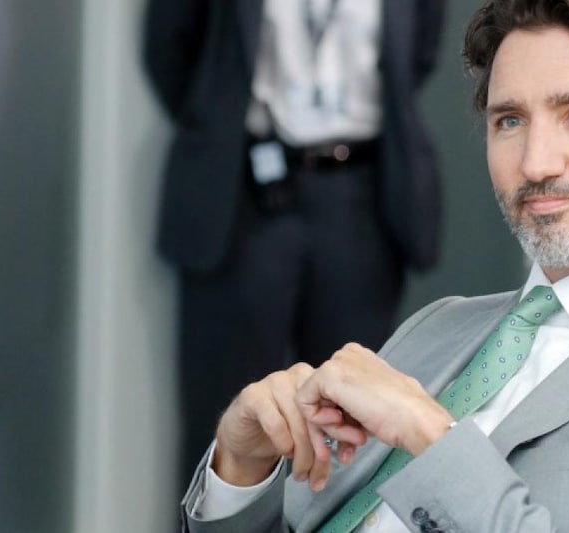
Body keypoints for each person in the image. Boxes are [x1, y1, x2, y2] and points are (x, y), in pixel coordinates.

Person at [178, 0, 569, 531]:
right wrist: (240, 470)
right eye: (510, 120)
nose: (535, 163)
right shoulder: (438, 328)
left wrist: (433, 437)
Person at [141, 0, 447, 482]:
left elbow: (418, 51)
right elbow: (170, 50)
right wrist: (220, 127)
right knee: (226, 419)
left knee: (355, 425)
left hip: (359, 192)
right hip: (245, 192)